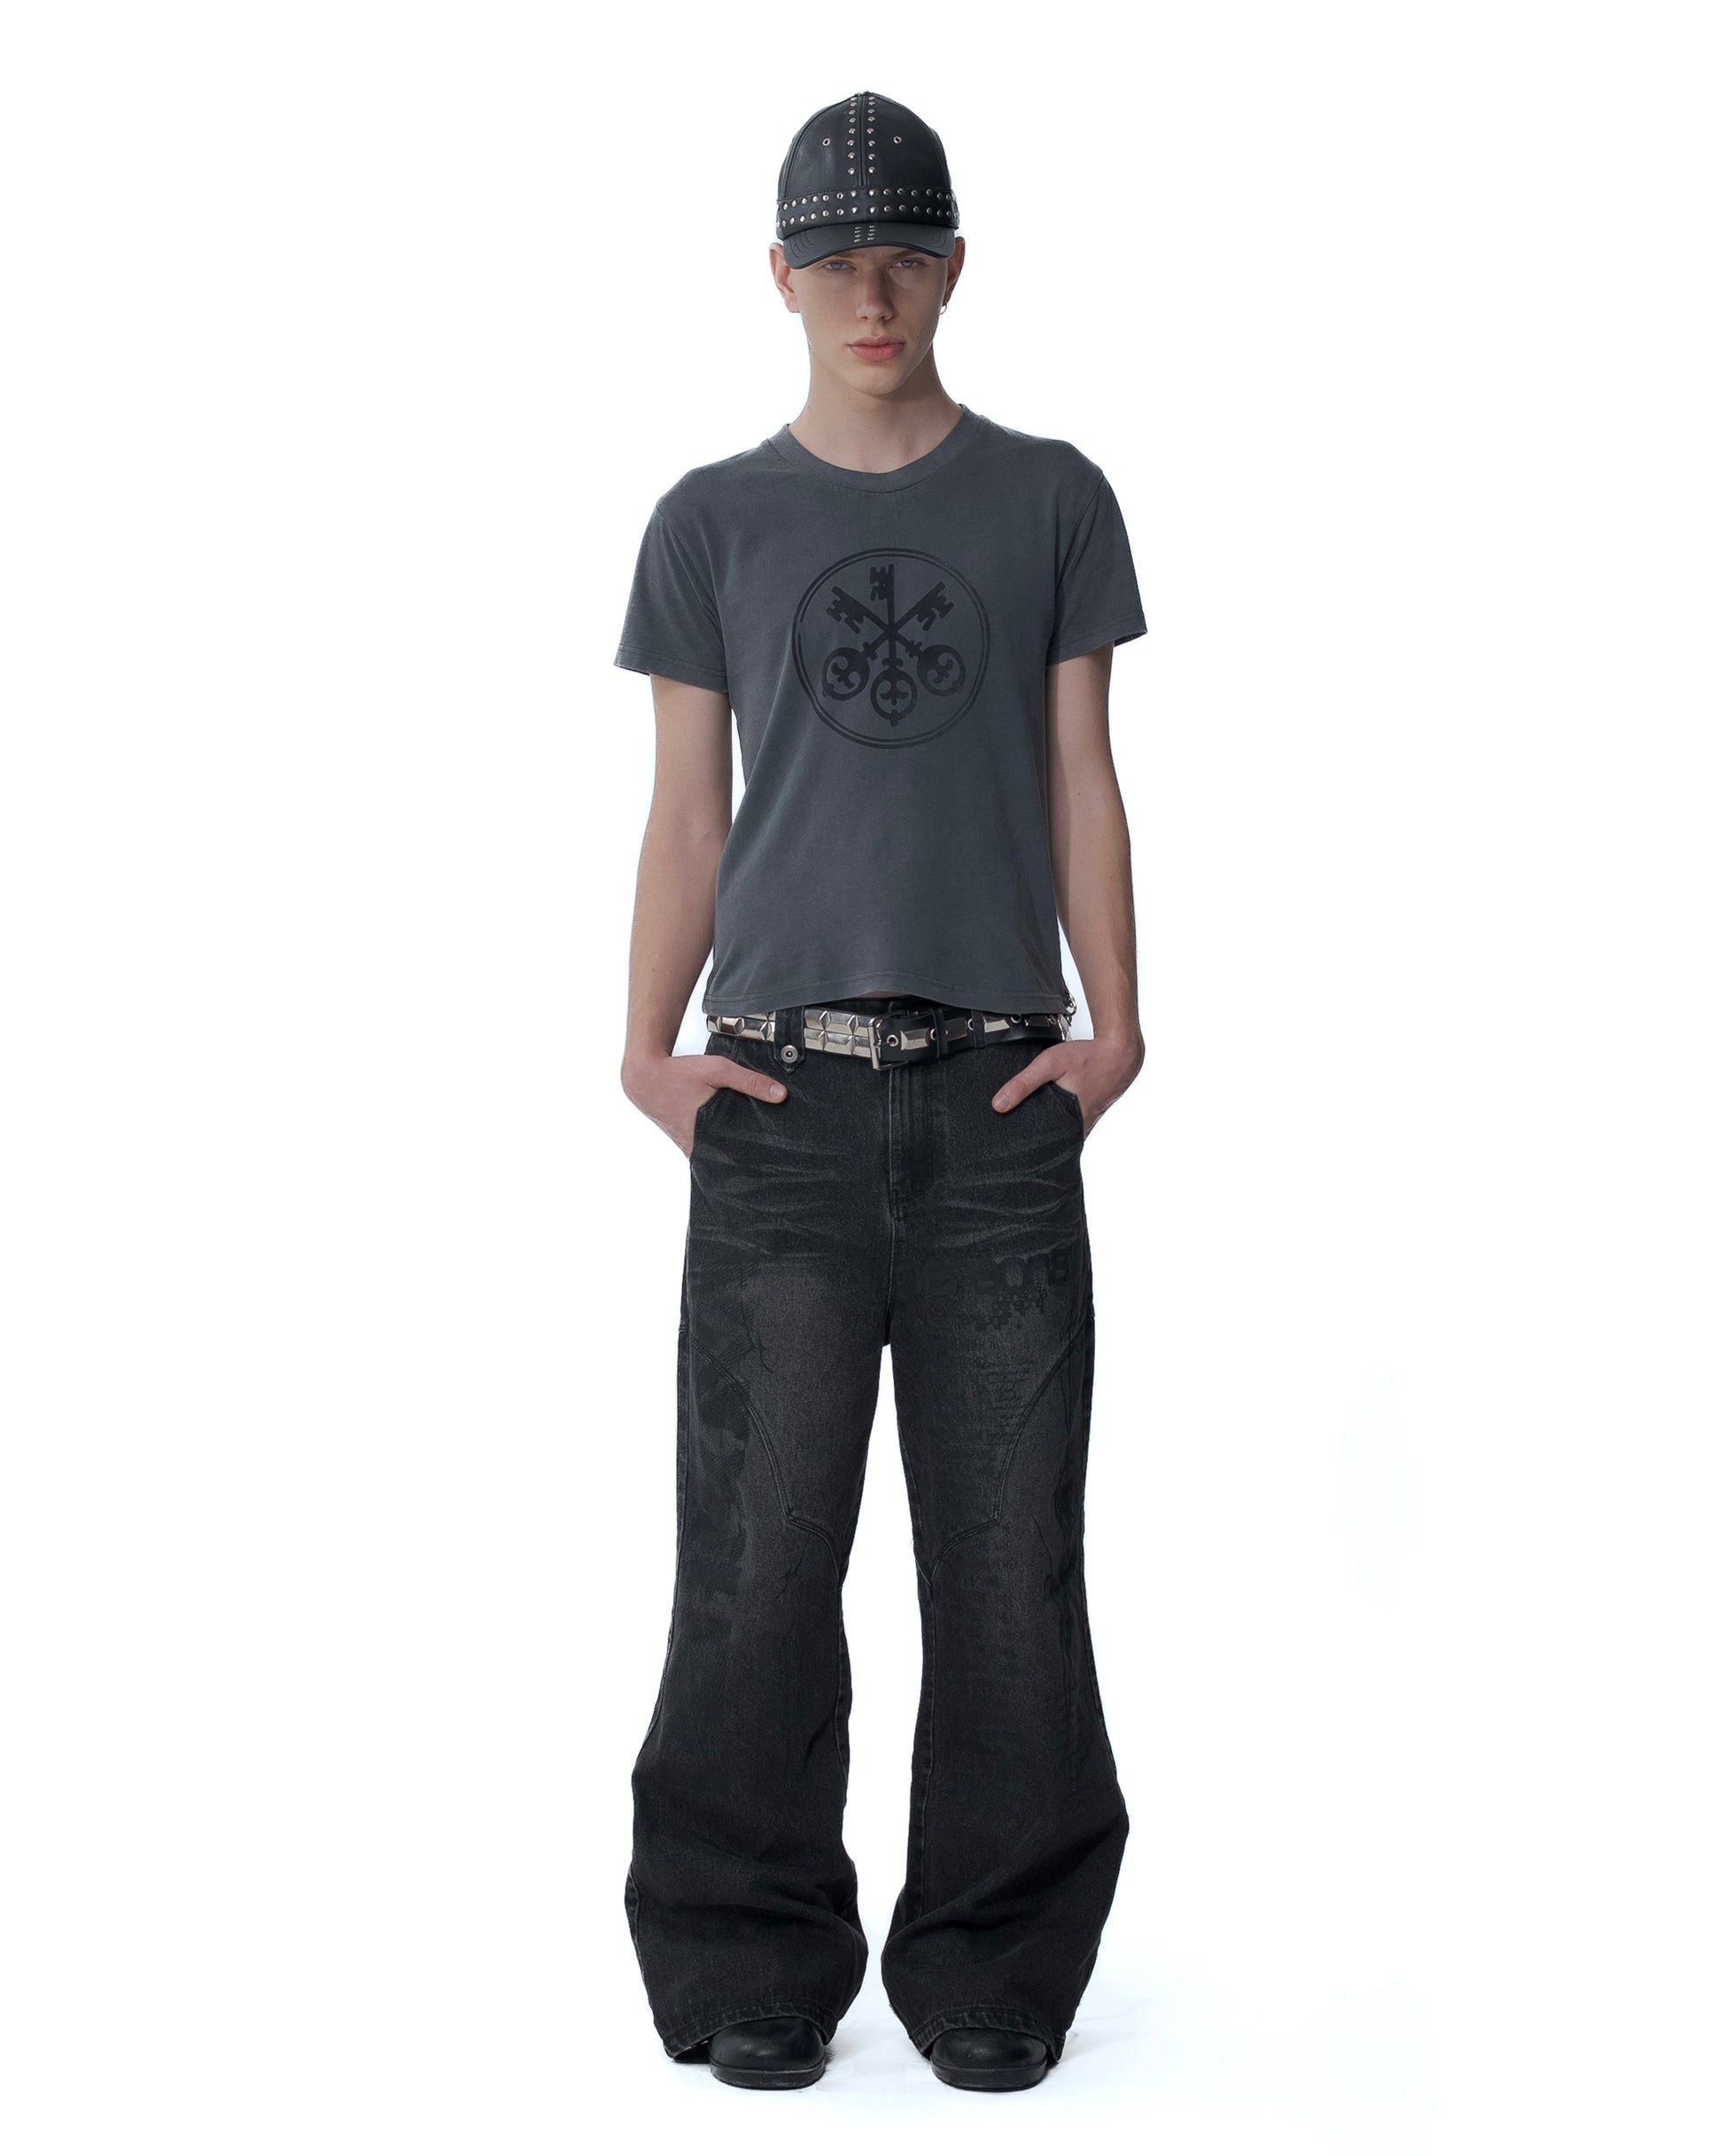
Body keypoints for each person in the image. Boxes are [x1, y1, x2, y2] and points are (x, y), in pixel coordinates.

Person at [614, 89, 1147, 2095]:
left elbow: (1081, 771)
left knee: (1007, 1558)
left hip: (1002, 1098)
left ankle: (995, 1958)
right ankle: (748, 1954)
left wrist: (1116, 1024)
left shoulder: (1053, 501)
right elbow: (688, 812)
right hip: (781, 1105)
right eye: (835, 256)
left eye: (903, 251)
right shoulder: (708, 523)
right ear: (776, 276)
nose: (870, 288)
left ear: (952, 266)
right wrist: (646, 1048)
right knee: (756, 1558)